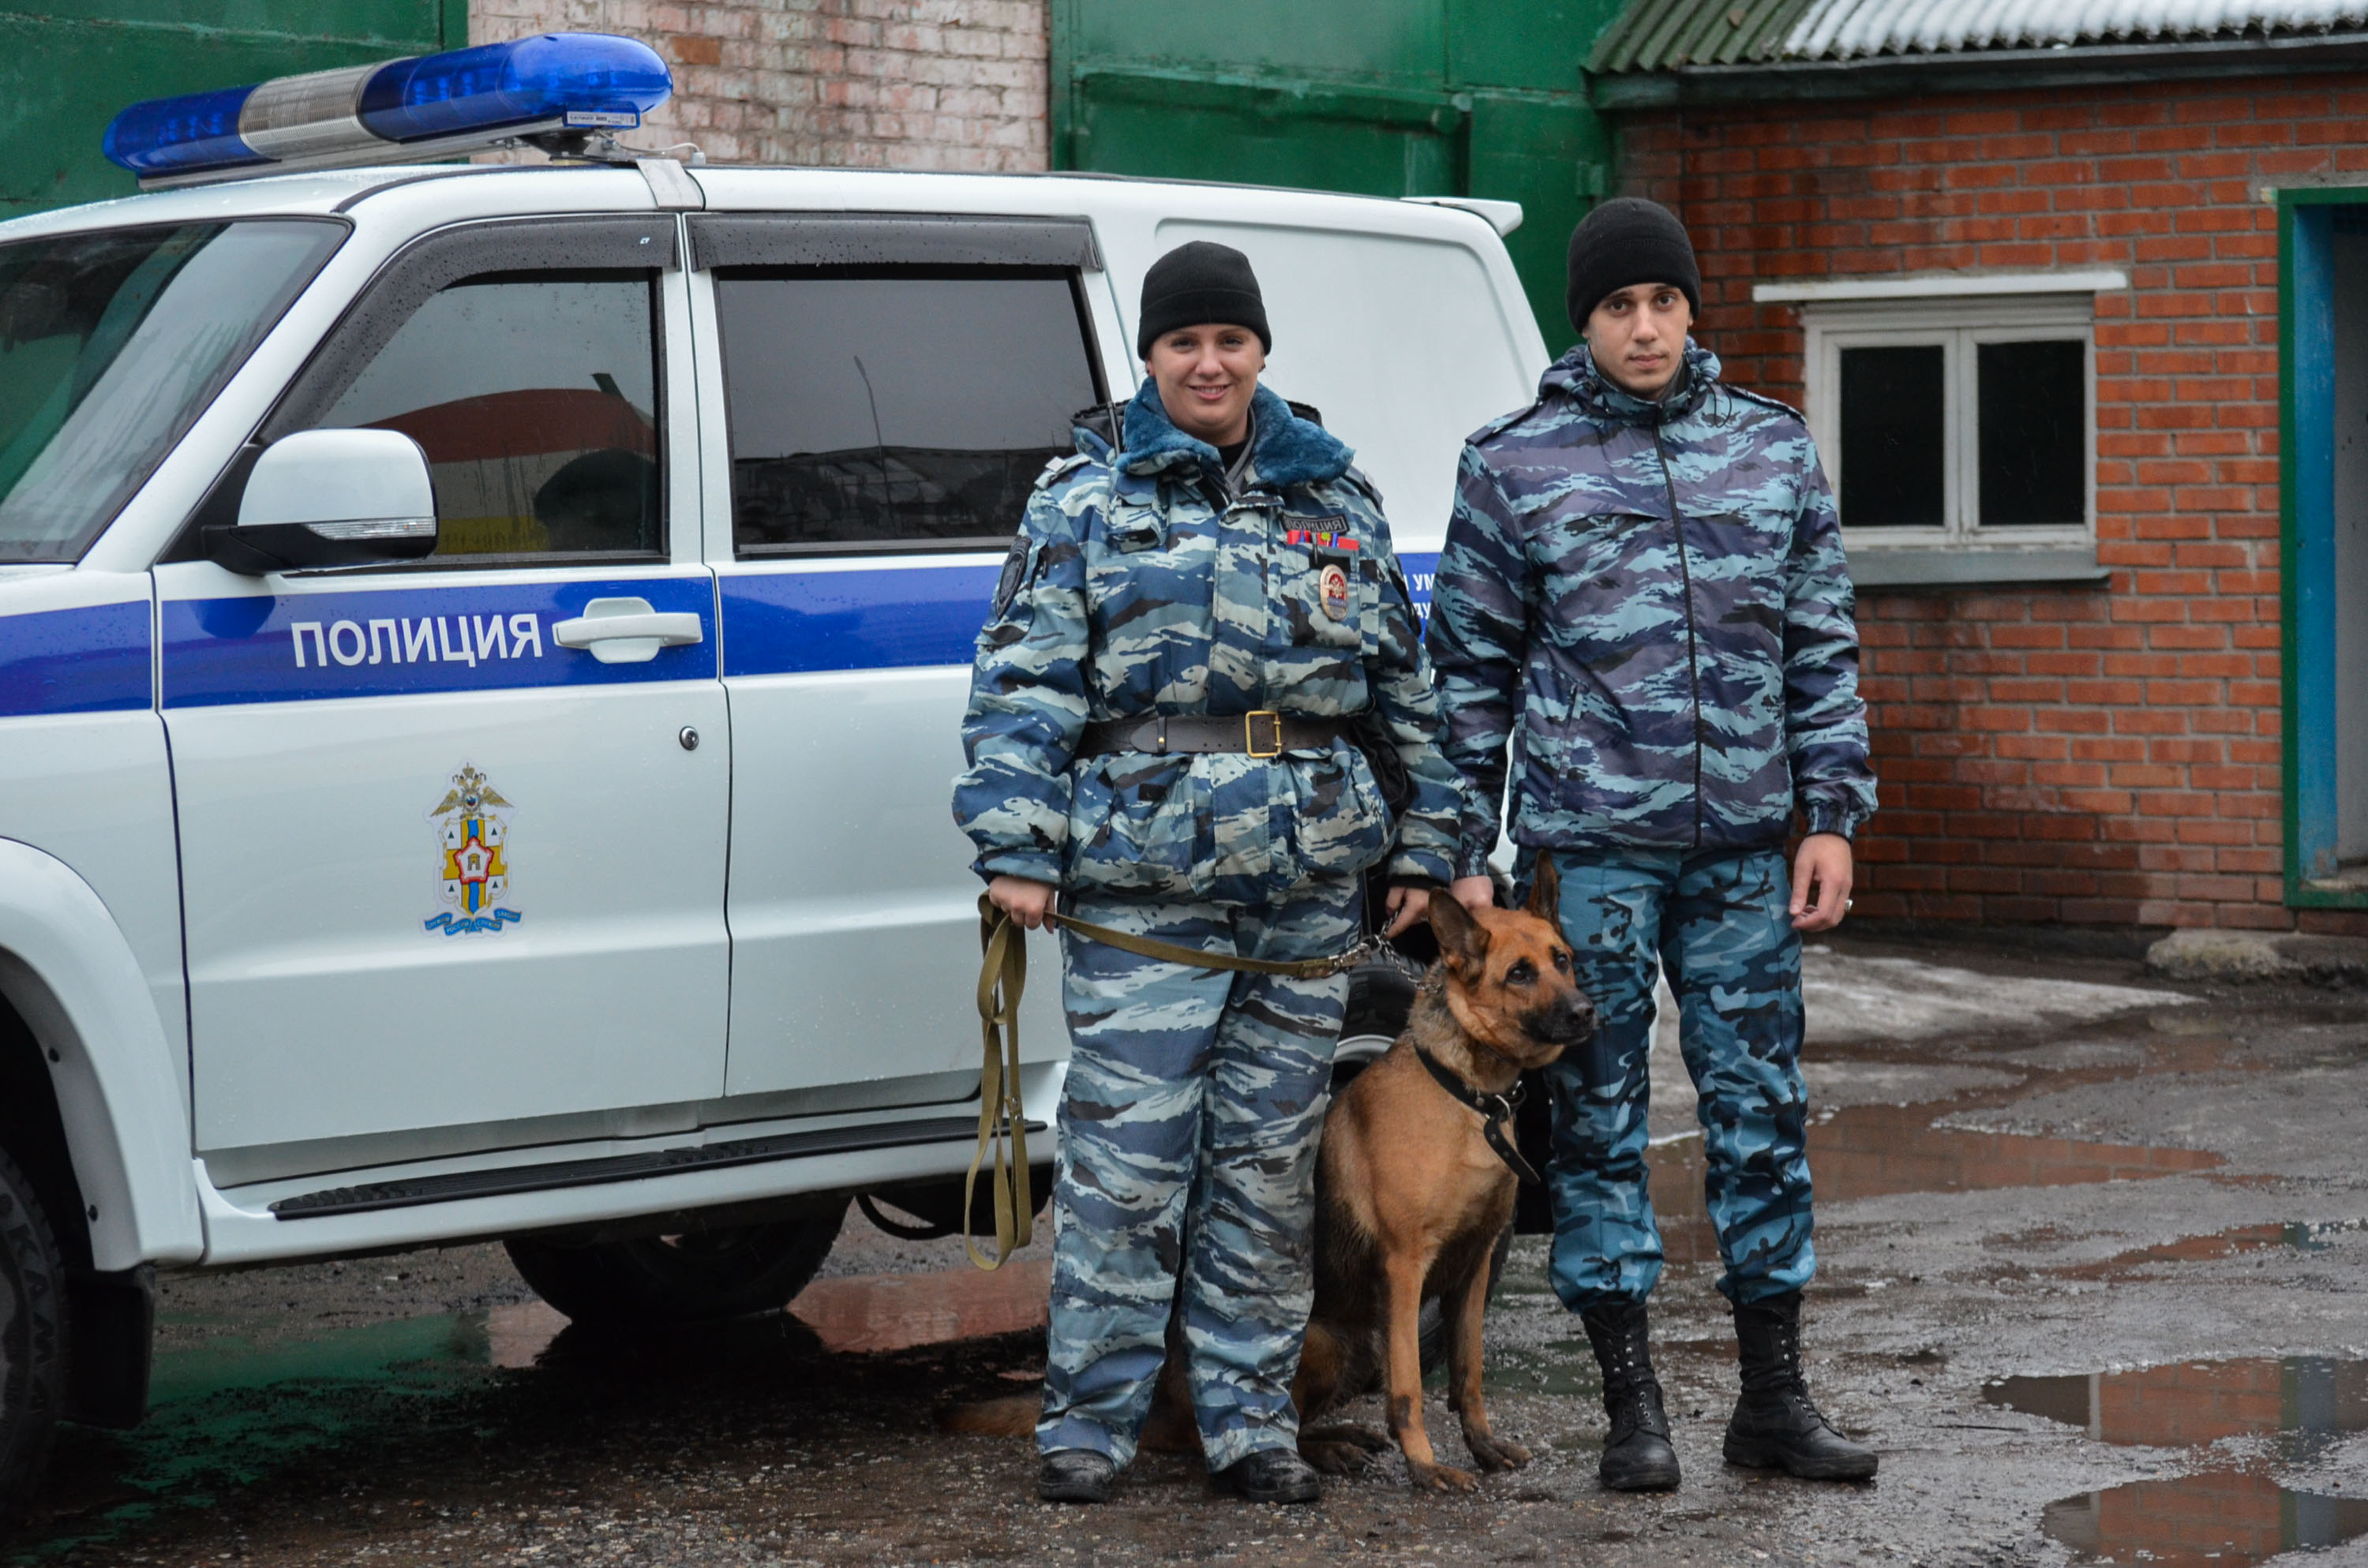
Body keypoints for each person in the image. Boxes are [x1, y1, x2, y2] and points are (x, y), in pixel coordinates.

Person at [952, 241, 1463, 1506]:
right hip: (1141, 888)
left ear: (1261, 352)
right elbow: (1023, 681)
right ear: (1150, 356)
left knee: (1264, 1169)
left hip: (1301, 892)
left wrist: (1430, 847)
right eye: (1184, 342)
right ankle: (1091, 1423)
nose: (1209, 362)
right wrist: (1016, 848)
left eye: (1230, 340)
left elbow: (1408, 688)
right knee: (1129, 1172)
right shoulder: (1085, 498)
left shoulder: (1333, 496)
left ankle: (1250, 1425)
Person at [1425, 197, 1882, 1490]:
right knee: (1600, 1121)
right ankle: (1634, 1412)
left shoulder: (1773, 452)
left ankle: (1775, 1403)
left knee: (1759, 1117)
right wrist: (1461, 845)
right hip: (1590, 858)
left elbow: (1821, 645)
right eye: (1619, 307)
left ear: (1693, 310)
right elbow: (1466, 674)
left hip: (1745, 850)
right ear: (1586, 322)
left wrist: (1832, 815)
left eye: (1663, 303)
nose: (1644, 327)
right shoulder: (1515, 463)